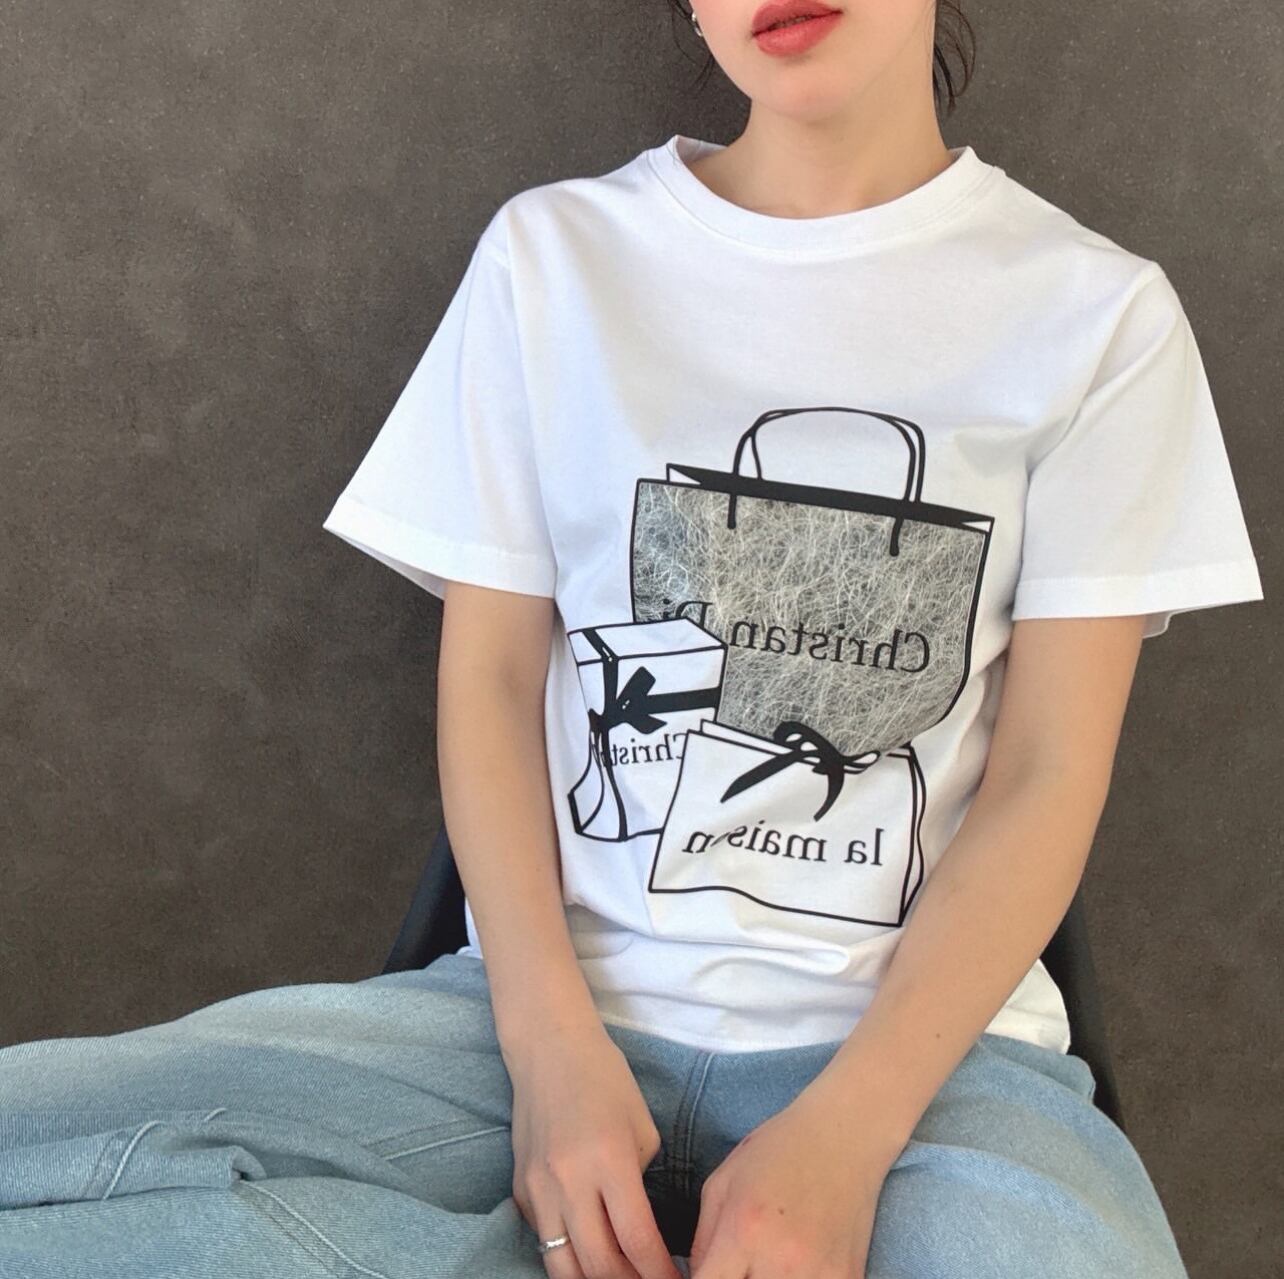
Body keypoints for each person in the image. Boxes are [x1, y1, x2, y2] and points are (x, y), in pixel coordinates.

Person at [0, 2, 1264, 1277]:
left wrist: (847, 1134)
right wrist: (549, 1052)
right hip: (521, 1031)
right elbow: (492, 680)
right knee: (41, 1156)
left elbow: (1048, 770)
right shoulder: (555, 260)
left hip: (933, 1075)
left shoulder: (1098, 315)